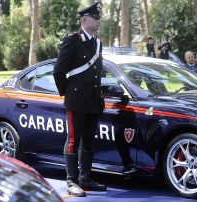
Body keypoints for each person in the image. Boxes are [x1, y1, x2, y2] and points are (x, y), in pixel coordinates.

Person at [53, 2, 107, 197]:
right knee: (74, 140)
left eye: (98, 17)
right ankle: (71, 180)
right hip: (76, 99)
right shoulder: (72, 40)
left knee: (89, 142)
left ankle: (85, 177)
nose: (98, 20)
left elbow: (96, 73)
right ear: (84, 20)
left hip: (92, 100)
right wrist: (67, 92)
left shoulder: (97, 42)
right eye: (95, 17)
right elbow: (59, 70)